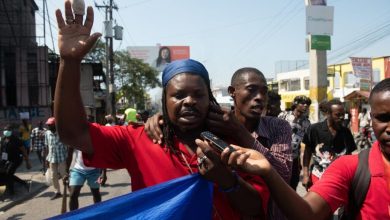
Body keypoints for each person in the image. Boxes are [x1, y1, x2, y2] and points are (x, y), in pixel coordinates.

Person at [54, 3, 268, 218]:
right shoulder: (139, 139)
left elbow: (257, 209)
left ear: (209, 99)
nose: (190, 101)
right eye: (179, 95)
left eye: (199, 94)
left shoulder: (232, 142)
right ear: (164, 102)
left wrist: (227, 180)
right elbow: (73, 133)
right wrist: (70, 62)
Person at [208, 77, 390, 219]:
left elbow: (282, 171)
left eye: (263, 92)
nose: (259, 98)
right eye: (383, 118)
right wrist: (302, 171)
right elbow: (308, 210)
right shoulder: (348, 167)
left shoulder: (281, 126)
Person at [145, 67, 292, 220]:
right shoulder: (215, 128)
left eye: (264, 92)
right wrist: (164, 117)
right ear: (232, 91)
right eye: (252, 90)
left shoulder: (278, 127)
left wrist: (240, 132)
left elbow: (283, 175)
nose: (259, 97)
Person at [302, 99, 357, 189]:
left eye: (343, 114)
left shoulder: (345, 132)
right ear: (328, 114)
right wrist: (305, 175)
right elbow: (307, 153)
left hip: (340, 178)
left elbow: (349, 156)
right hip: (318, 176)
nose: (342, 117)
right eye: (338, 115)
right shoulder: (314, 129)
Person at [278, 95, 311, 190]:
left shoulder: (307, 123)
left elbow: (306, 144)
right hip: (280, 156)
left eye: (307, 104)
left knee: (293, 184)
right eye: (303, 103)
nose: (305, 106)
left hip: (294, 159)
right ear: (295, 104)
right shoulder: (283, 115)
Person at [0, 125, 31, 196]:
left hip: (16, 159)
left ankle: (11, 191)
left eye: (8, 130)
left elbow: (24, 151)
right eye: (5, 130)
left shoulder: (16, 140)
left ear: (11, 132)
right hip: (6, 159)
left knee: (9, 173)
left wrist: (27, 161)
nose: (6, 131)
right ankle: (22, 182)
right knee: (5, 173)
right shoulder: (3, 139)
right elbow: (2, 150)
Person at [45, 117, 68, 200]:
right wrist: (46, 159)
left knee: (64, 175)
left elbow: (67, 145)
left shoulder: (62, 132)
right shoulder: (47, 133)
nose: (48, 126)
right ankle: (57, 192)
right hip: (52, 157)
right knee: (53, 176)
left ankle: (69, 189)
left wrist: (68, 159)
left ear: (55, 125)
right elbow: (47, 146)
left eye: (50, 125)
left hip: (62, 157)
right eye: (48, 125)